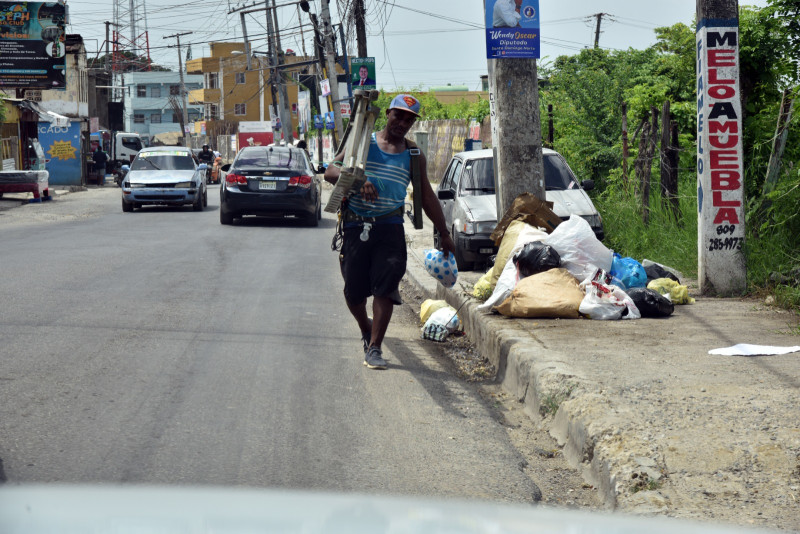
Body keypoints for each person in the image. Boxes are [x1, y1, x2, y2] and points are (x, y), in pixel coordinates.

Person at [324, 94, 455, 370]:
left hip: (390, 227)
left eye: (410, 119)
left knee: (386, 288)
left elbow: (426, 195)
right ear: (388, 114)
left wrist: (443, 232)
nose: (403, 123)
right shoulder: (363, 143)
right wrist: (360, 180)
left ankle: (374, 347)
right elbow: (331, 171)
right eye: (399, 115)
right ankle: (365, 326)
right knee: (353, 291)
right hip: (355, 224)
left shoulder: (413, 154)